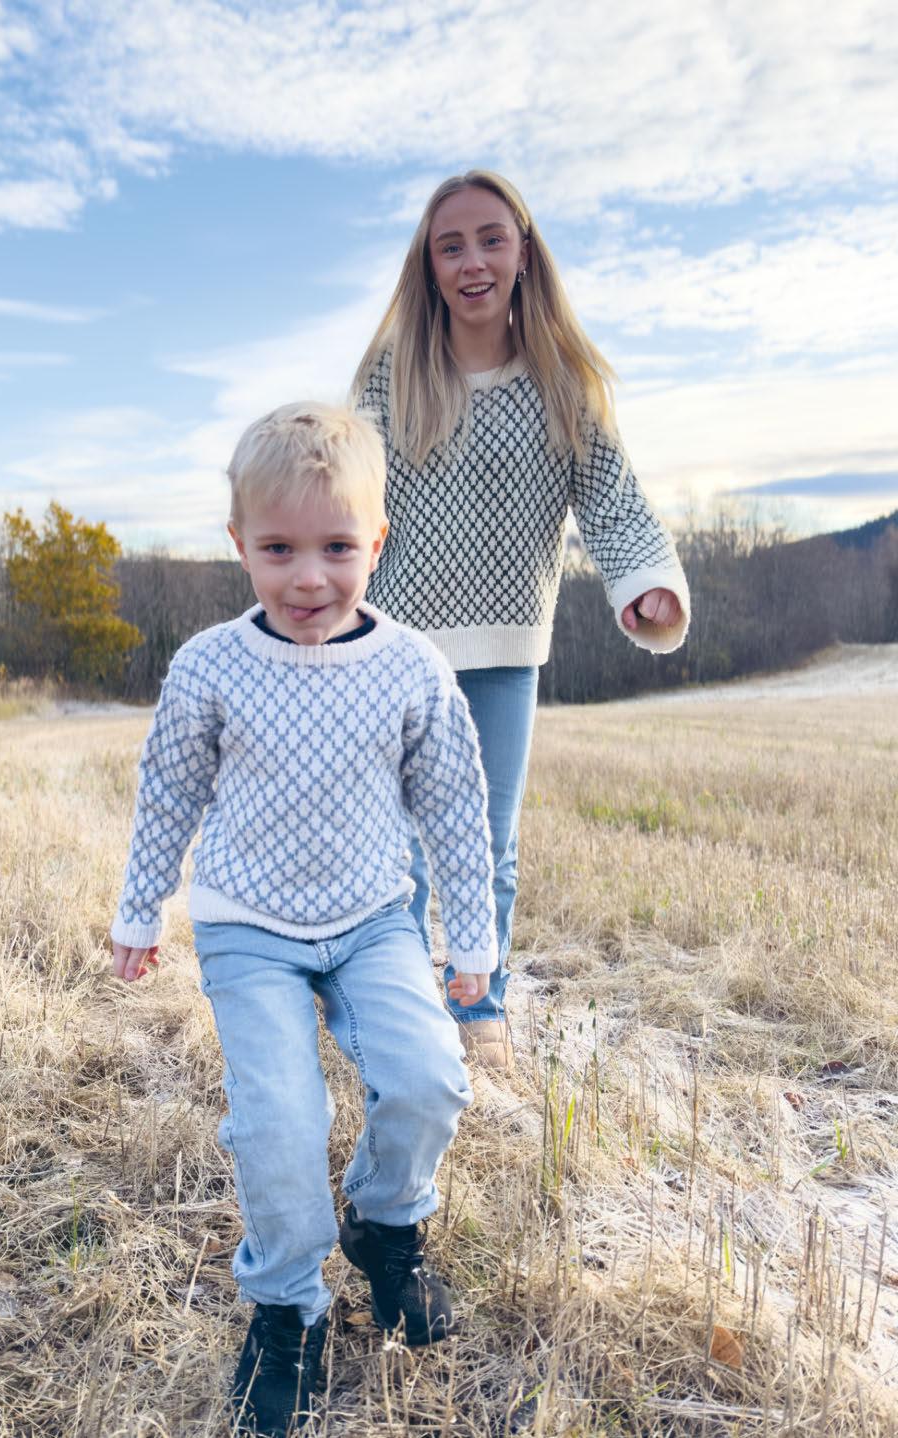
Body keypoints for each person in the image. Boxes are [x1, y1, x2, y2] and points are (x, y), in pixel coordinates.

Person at [111, 402, 498, 1437]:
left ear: (377, 541)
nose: (309, 578)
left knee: (429, 1078)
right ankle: (287, 1304)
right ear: (239, 543)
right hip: (248, 927)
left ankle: (386, 1224)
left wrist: (471, 938)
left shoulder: (411, 668)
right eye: (279, 549)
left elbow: (455, 808)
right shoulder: (209, 666)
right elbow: (168, 793)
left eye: (337, 547)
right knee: (279, 1123)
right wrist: (141, 908)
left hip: (372, 920)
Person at [352, 170, 690, 1070]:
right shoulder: (391, 374)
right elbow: (346, 490)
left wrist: (645, 582)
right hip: (397, 647)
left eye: (490, 239)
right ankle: (393, 1010)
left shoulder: (562, 382)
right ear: (429, 266)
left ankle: (480, 1007)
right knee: (396, 846)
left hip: (506, 647)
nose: (472, 261)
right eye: (450, 246)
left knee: (486, 844)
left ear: (524, 252)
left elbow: (611, 497)